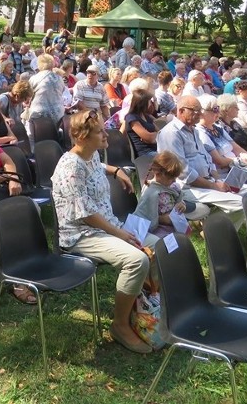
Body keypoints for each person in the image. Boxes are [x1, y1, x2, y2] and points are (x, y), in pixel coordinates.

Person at [50, 109, 152, 354]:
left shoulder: (91, 154)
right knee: (136, 260)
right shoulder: (70, 168)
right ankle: (120, 325)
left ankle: (147, 310)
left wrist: (116, 170)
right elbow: (85, 214)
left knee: (158, 244)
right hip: (82, 234)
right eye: (100, 132)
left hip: (105, 225)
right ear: (82, 137)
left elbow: (99, 164)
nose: (107, 135)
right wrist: (119, 234)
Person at [156, 96, 247, 226]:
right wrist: (214, 186)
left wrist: (218, 181)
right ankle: (217, 237)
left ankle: (212, 230)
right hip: (186, 188)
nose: (199, 113)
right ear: (181, 111)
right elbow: (183, 173)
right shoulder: (171, 133)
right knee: (240, 203)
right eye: (195, 110)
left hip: (207, 182)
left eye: (200, 110)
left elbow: (208, 159)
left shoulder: (193, 130)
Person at [135, 151, 190, 239]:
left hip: (175, 226)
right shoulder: (150, 192)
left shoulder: (173, 186)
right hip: (159, 230)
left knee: (182, 242)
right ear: (158, 174)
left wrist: (182, 205)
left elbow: (179, 200)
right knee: (169, 246)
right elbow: (146, 215)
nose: (174, 181)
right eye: (171, 178)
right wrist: (161, 219)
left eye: (175, 178)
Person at [27, 54, 65, 127]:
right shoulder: (59, 78)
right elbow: (62, 91)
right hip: (58, 113)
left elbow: (28, 94)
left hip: (39, 114)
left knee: (33, 136)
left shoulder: (34, 78)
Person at [121, 90, 158, 159]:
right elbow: (149, 138)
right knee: (170, 158)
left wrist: (153, 137)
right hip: (145, 153)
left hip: (156, 149)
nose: (150, 103)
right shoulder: (131, 118)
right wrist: (152, 137)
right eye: (149, 101)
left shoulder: (147, 116)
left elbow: (160, 133)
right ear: (143, 103)